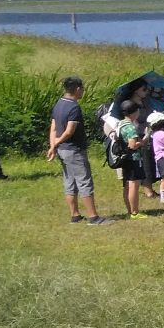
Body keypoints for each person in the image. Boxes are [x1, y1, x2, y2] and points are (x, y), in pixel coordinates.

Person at [45, 76, 104, 224]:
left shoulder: (58, 104)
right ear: (78, 89)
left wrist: (53, 146)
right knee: (84, 181)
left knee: (69, 181)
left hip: (62, 150)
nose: (83, 91)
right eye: (82, 89)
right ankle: (93, 217)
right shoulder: (74, 107)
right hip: (74, 150)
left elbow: (53, 128)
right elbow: (69, 131)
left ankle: (75, 215)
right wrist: (54, 145)